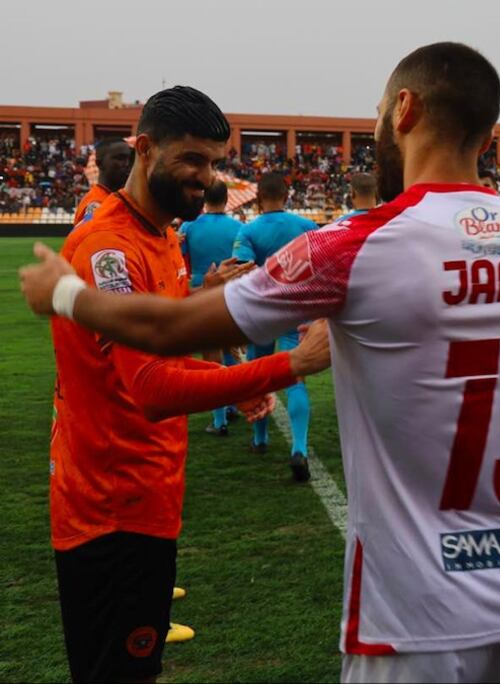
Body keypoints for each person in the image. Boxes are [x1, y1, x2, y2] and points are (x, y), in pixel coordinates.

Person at [21, 43, 500, 684]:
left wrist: (63, 295)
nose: (205, 177)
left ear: (403, 109)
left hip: (420, 614)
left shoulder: (356, 243)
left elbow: (166, 334)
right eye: (194, 161)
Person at [22, 85, 331, 684]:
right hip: (112, 506)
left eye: (213, 162)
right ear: (144, 150)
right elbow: (152, 388)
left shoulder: (163, 234)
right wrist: (286, 366)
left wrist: (228, 378)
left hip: (143, 492)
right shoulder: (112, 247)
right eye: (191, 160)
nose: (205, 177)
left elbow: (163, 347)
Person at [232, 172, 318, 480]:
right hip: (297, 311)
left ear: (258, 199)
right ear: (286, 195)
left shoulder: (249, 229)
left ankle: (260, 439)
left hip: (263, 312)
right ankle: (299, 448)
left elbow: (240, 271)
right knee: (295, 376)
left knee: (259, 376)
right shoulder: (308, 227)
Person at [178, 180, 249, 436]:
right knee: (230, 350)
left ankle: (219, 420)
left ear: (205, 198)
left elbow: (178, 255)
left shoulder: (189, 225)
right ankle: (231, 404)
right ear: (227, 199)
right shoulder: (239, 228)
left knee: (211, 354)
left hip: (200, 290)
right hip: (230, 290)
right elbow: (245, 262)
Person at [73, 138, 132, 226]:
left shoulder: (122, 198)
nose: (127, 164)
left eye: (129, 159)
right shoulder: (96, 203)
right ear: (99, 163)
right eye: (120, 158)